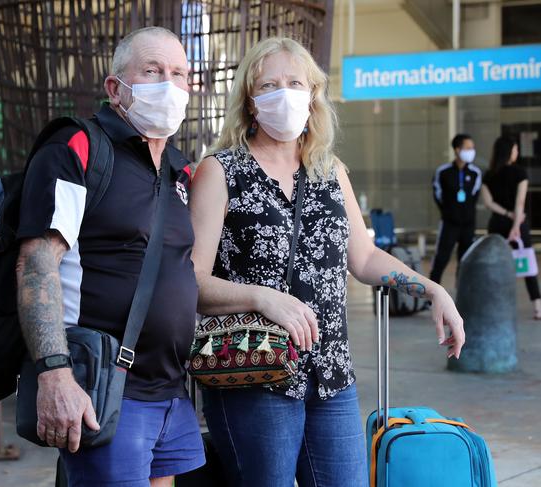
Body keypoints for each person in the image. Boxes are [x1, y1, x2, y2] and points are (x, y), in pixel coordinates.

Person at [189, 37, 465, 487]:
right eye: (269, 85)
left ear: (313, 94)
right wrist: (264, 299)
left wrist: (432, 288)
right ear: (251, 102)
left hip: (330, 372)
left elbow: (364, 256)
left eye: (295, 82)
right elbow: (192, 280)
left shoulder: (329, 170)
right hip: (253, 370)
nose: (284, 93)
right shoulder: (220, 171)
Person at [15, 26, 205, 487]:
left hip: (171, 395)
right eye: (153, 70)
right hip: (104, 390)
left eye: (178, 73)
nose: (168, 83)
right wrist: (55, 376)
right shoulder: (79, 149)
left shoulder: (180, 169)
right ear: (116, 87)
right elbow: (36, 264)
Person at [482, 135, 541, 319]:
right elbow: (520, 202)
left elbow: (488, 203)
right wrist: (515, 224)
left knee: (494, 264)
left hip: (497, 223)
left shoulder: (489, 175)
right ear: (510, 152)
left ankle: (493, 306)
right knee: (528, 265)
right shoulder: (520, 173)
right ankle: (538, 307)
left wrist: (506, 214)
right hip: (518, 223)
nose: (516, 152)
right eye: (515, 149)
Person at [430, 134, 483, 285]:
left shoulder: (475, 173)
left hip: (468, 224)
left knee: (465, 260)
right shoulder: (443, 172)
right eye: (468, 148)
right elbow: (438, 195)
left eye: (472, 148)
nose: (471, 151)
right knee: (441, 258)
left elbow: (474, 195)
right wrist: (449, 212)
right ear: (457, 149)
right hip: (449, 223)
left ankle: (462, 291)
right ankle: (432, 292)